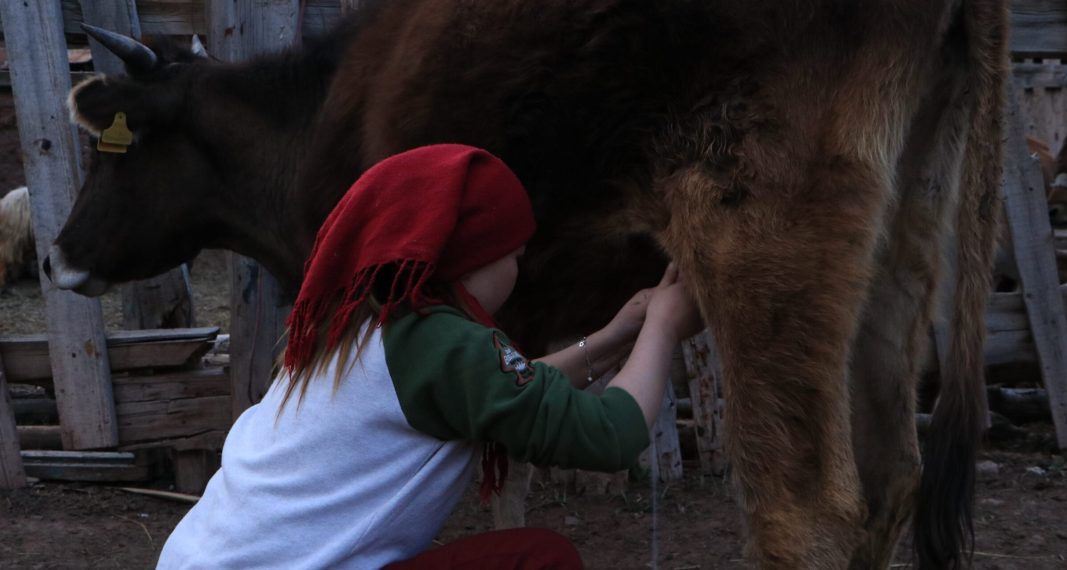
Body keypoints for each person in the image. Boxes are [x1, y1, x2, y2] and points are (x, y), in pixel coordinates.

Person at [156, 144, 703, 569]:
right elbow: (611, 435)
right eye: (512, 254)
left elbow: (501, 395)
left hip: (196, 558)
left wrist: (616, 335)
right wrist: (662, 327)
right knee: (538, 562)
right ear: (474, 255)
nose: (517, 270)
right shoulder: (442, 344)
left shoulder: (360, 330)